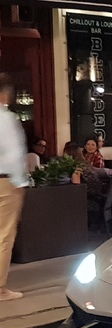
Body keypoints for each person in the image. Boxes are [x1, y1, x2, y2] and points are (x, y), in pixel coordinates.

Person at [0, 73, 28, 301]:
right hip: (4, 181)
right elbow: (13, 154)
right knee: (4, 234)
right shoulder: (6, 118)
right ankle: (0, 288)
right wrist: (20, 182)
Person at [64, 143, 104, 216]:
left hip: (89, 202)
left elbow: (77, 191)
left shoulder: (78, 168)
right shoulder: (85, 164)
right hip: (97, 200)